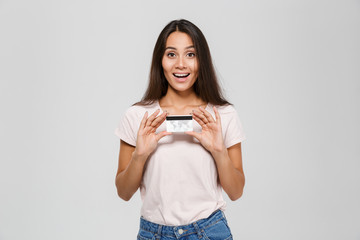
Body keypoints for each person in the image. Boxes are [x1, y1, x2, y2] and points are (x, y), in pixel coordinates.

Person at [115, 19, 246, 240]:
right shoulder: (138, 116)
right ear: (161, 60)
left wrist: (218, 151)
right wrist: (140, 155)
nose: (181, 65)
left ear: (201, 61)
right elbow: (123, 192)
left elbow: (236, 191)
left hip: (209, 231)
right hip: (154, 233)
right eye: (171, 54)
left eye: (190, 54)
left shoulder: (222, 115)